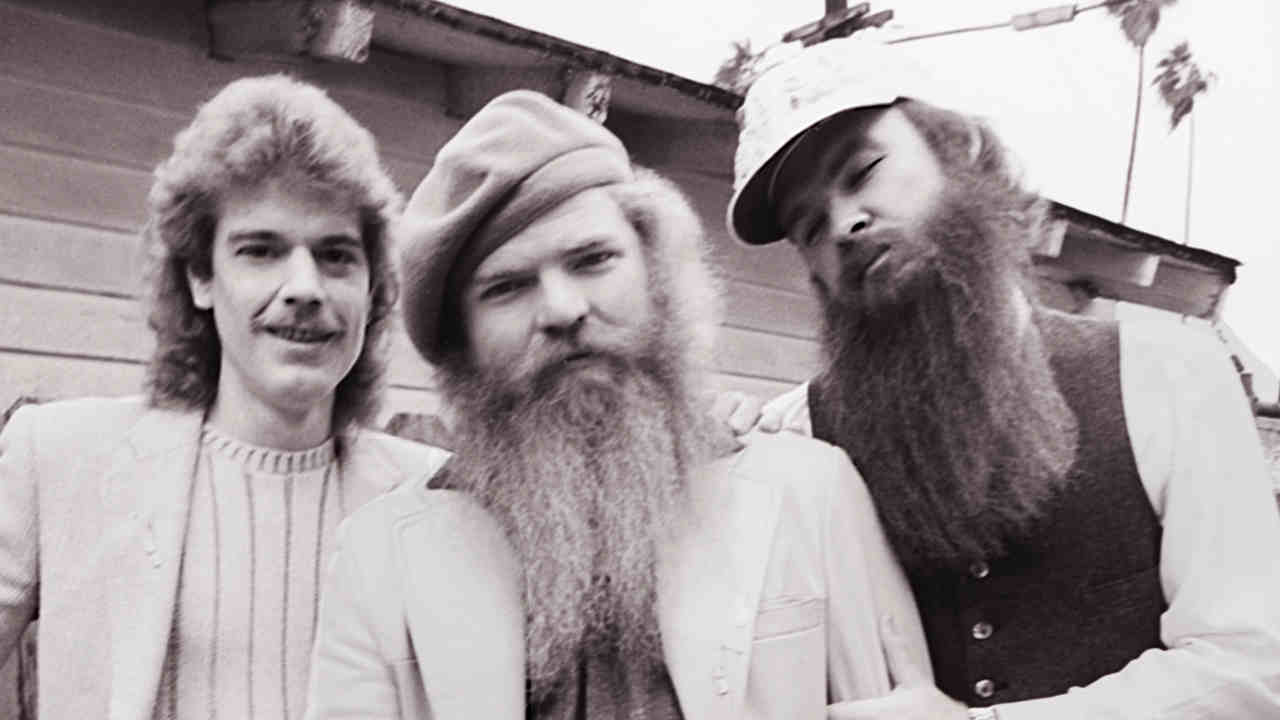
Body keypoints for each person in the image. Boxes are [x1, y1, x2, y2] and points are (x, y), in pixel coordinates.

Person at [304, 89, 928, 720]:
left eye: (593, 260)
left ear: (655, 273)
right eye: (507, 287)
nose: (563, 309)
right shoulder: (382, 560)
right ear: (461, 341)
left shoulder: (812, 494)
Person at [725, 37, 1280, 719]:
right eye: (809, 227)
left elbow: (1250, 670)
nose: (844, 222)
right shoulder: (799, 437)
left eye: (864, 170)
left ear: (957, 152)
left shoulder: (1169, 373)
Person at [0, 74, 450, 719]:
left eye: (336, 256)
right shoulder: (60, 460)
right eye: (261, 251)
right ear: (201, 278)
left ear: (373, 287)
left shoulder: (434, 498)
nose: (304, 287)